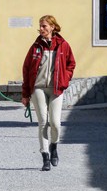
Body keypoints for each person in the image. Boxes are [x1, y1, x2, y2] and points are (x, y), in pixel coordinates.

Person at [22, 15, 76, 171]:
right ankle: (45, 156)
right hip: (37, 88)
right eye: (40, 26)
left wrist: (65, 80)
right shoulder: (35, 46)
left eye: (44, 26)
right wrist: (25, 94)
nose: (41, 29)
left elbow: (71, 64)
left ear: (53, 27)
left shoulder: (63, 45)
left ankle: (54, 147)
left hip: (56, 88)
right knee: (43, 122)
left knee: (55, 123)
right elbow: (26, 69)